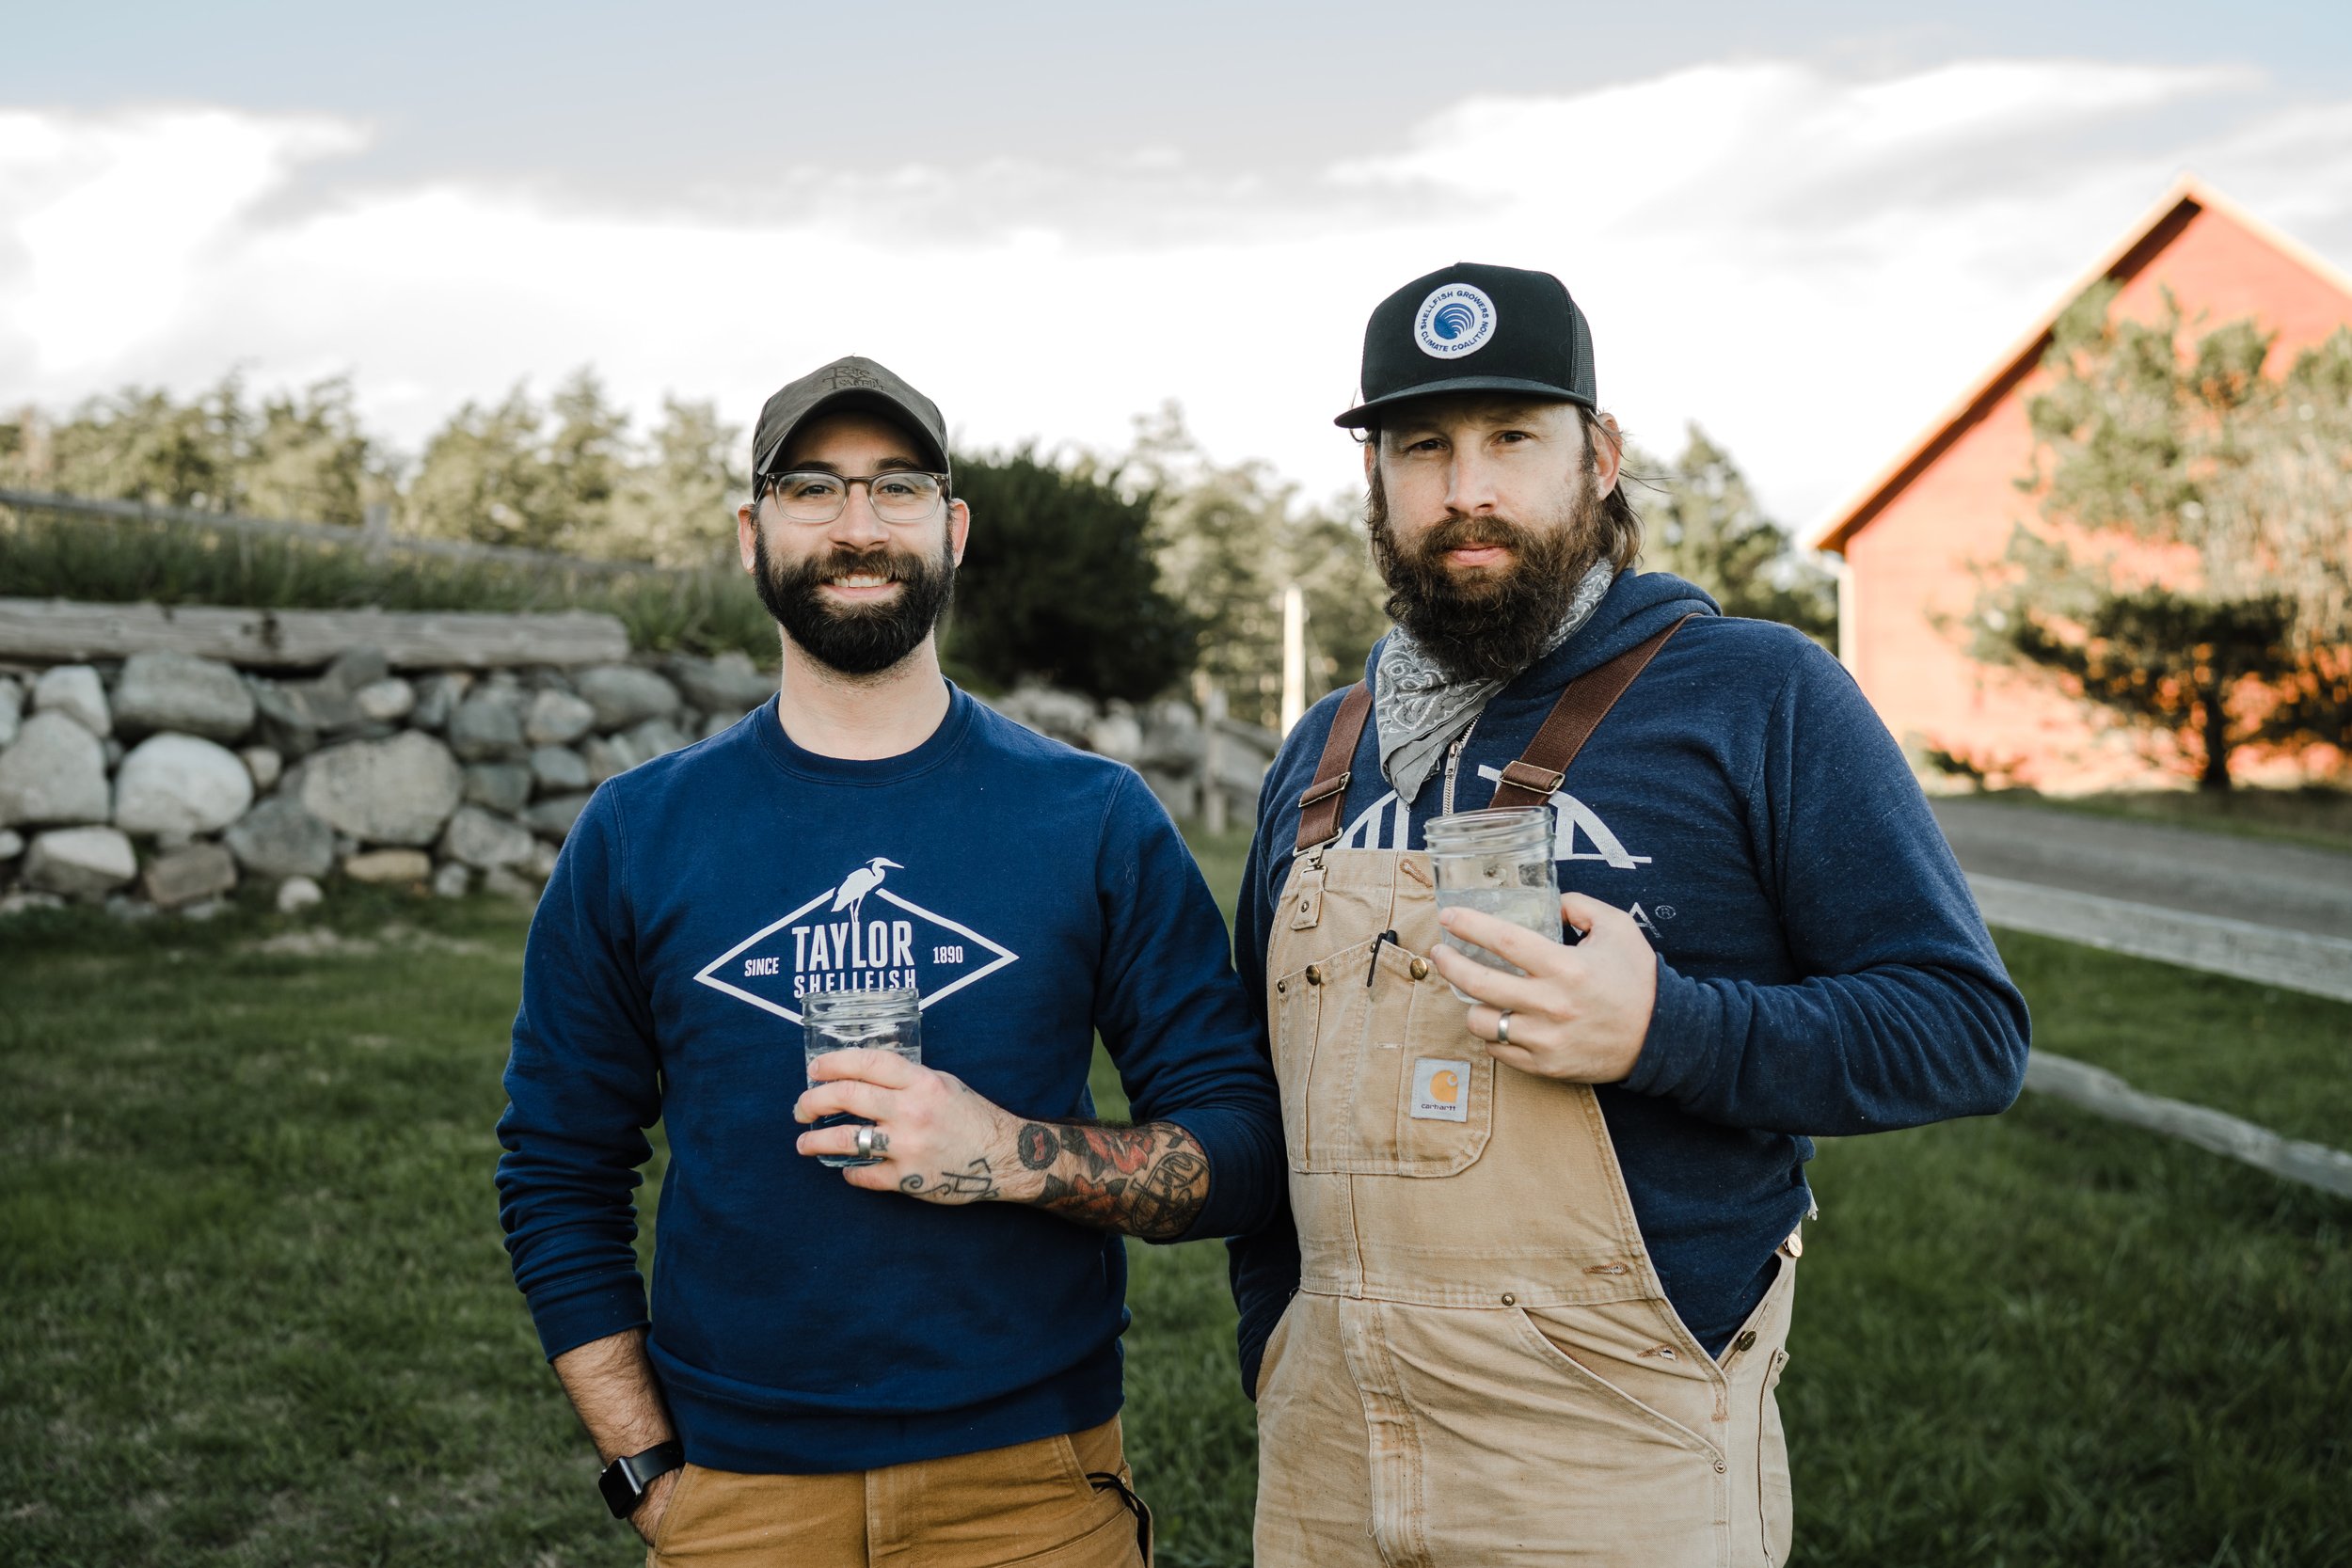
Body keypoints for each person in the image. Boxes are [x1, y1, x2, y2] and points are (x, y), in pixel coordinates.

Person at [1226, 263, 2031, 1566]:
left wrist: (1668, 1027)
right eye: (1421, 447)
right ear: (1374, 477)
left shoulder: (1759, 697)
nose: (1466, 489)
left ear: (1598, 456)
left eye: (1511, 440)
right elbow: (1261, 1087)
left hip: (1616, 1455)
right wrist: (1272, 1333)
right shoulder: (1325, 751)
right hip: (1327, 1461)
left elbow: (1966, 1031)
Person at [496, 356, 1280, 1567]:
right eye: (813, 489)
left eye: (896, 487)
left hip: (1030, 1492)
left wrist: (1006, 1157)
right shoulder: (638, 831)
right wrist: (646, 1466)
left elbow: (1239, 1149)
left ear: (952, 529)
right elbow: (557, 1162)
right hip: (737, 1497)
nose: (858, 527)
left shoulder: (1093, 819)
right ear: (751, 536)